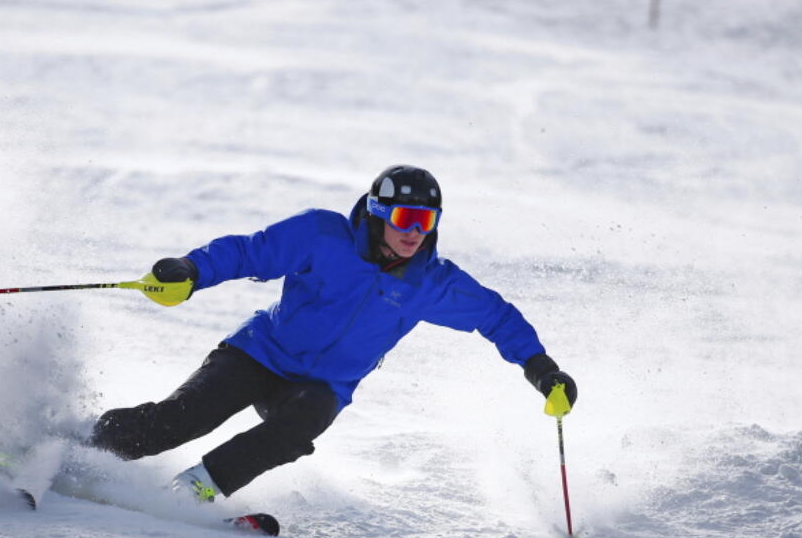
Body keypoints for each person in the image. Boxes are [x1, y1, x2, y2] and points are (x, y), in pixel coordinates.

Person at [89, 165, 577, 503]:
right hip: (259, 354)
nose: (415, 233)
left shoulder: (431, 282)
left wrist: (541, 368)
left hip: (320, 386)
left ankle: (194, 490)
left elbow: (496, 316)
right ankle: (82, 446)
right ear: (379, 213)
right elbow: (247, 252)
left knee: (294, 432)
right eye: (406, 219)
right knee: (184, 419)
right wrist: (191, 269)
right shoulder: (322, 235)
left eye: (426, 222)